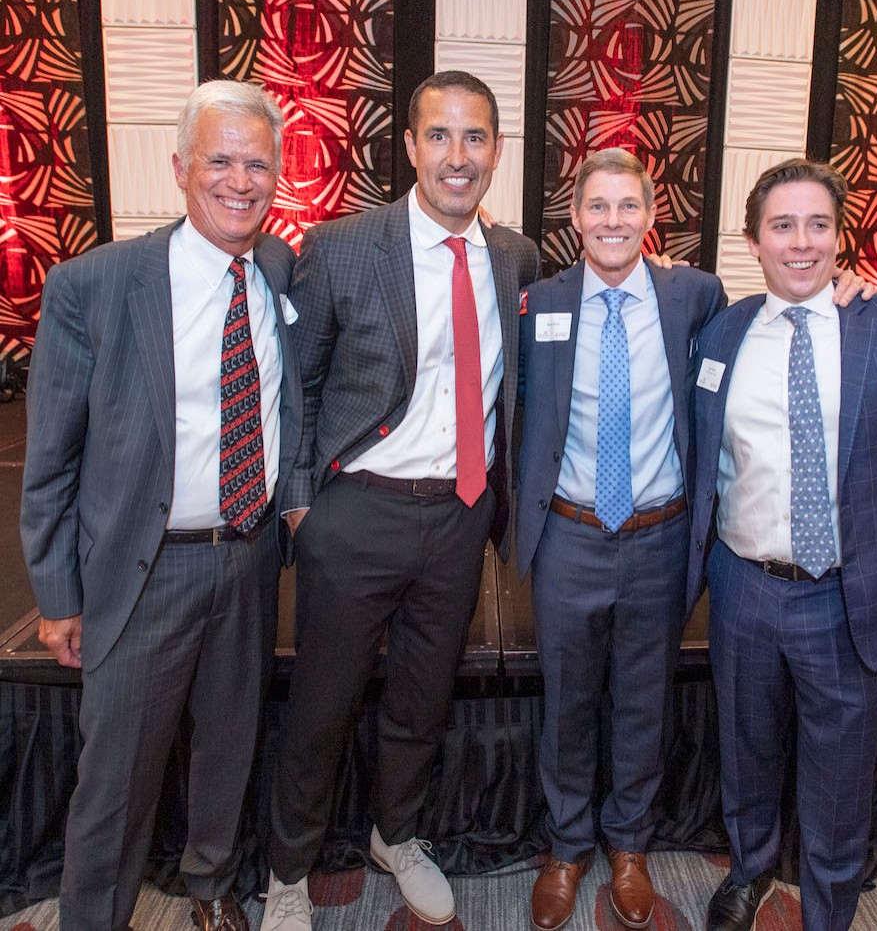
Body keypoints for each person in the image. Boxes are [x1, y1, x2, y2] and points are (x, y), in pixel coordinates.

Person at [261, 70, 540, 929]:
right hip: (357, 515)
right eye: (440, 137)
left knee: (422, 699)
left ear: (496, 152)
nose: (458, 157)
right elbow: (297, 389)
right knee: (323, 706)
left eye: (477, 138)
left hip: (459, 519)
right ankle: (286, 874)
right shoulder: (344, 247)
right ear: (412, 146)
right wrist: (305, 508)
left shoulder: (515, 256)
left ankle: (398, 834)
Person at [20, 80, 300, 931]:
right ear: (180, 167)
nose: (239, 180)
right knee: (116, 781)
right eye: (220, 159)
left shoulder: (280, 268)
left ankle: (212, 891)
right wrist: (58, 593)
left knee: (227, 747)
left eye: (258, 163)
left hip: (248, 557)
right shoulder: (95, 285)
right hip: (143, 571)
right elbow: (50, 459)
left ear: (278, 174)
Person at [686, 158, 877, 931]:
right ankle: (750, 871)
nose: (801, 243)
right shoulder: (720, 331)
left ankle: (829, 910)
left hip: (853, 598)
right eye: (782, 226)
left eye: (817, 224)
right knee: (746, 753)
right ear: (753, 240)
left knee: (840, 781)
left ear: (838, 234)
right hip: (745, 589)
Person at [516, 148, 726, 931]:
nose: (612, 222)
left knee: (644, 700)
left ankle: (629, 846)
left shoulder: (695, 296)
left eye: (627, 207)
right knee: (567, 702)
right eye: (597, 208)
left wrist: (851, 288)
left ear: (650, 215)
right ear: (574, 218)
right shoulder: (537, 302)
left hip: (661, 539)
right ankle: (568, 846)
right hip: (569, 536)